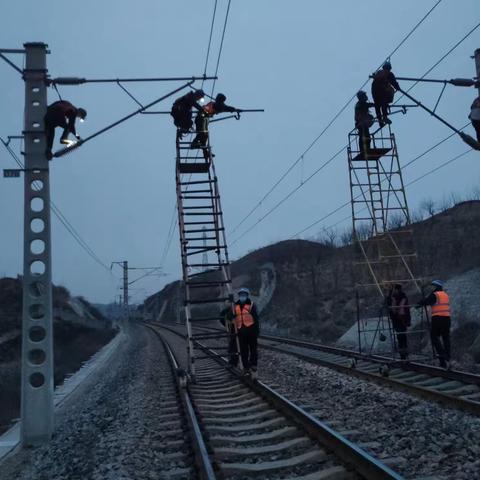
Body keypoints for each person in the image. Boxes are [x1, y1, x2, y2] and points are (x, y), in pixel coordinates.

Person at [191, 93, 239, 160]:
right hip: (201, 119)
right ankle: (194, 143)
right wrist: (235, 109)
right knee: (202, 133)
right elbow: (226, 108)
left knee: (204, 136)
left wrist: (235, 109)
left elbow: (225, 108)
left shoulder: (217, 104)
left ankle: (205, 153)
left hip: (203, 119)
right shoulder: (216, 105)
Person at [416, 280, 451, 369]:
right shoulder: (445, 295)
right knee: (445, 338)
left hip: (438, 319)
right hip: (447, 319)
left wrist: (419, 304)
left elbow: (427, 301)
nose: (431, 288)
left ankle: (442, 355)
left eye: (432, 286)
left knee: (434, 337)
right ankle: (447, 357)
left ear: (436, 287)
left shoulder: (435, 294)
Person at [232, 287, 260, 377]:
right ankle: (246, 367)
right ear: (239, 296)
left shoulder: (252, 305)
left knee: (253, 349)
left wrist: (257, 331)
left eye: (244, 295)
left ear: (247, 295)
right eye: (241, 295)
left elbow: (256, 319)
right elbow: (232, 318)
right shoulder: (235, 306)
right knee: (243, 351)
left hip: (251, 331)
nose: (242, 296)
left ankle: (253, 365)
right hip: (241, 332)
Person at [371, 62, 400, 127]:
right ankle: (384, 117)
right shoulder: (388, 74)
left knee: (378, 105)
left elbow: (393, 82)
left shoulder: (379, 73)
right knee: (383, 103)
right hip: (380, 91)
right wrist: (398, 88)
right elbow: (394, 82)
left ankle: (380, 121)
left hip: (375, 91)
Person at [388, 284, 411, 360]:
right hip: (403, 319)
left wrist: (389, 293)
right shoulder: (404, 297)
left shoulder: (394, 297)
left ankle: (403, 356)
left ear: (396, 289)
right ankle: (405, 354)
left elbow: (388, 304)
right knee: (403, 336)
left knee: (400, 337)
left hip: (398, 319)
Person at [354, 90, 375, 157]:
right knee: (364, 137)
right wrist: (374, 104)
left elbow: (367, 105)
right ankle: (363, 150)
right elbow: (366, 106)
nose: (366, 97)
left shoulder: (362, 104)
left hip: (363, 123)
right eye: (364, 96)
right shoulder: (360, 104)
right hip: (361, 124)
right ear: (361, 97)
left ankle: (366, 149)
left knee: (366, 137)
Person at [219, 299, 238, 367]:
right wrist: (227, 325)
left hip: (237, 329)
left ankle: (234, 362)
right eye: (226, 302)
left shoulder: (235, 308)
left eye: (227, 302)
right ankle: (233, 362)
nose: (226, 304)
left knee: (234, 346)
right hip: (233, 329)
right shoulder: (226, 310)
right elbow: (221, 317)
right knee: (233, 345)